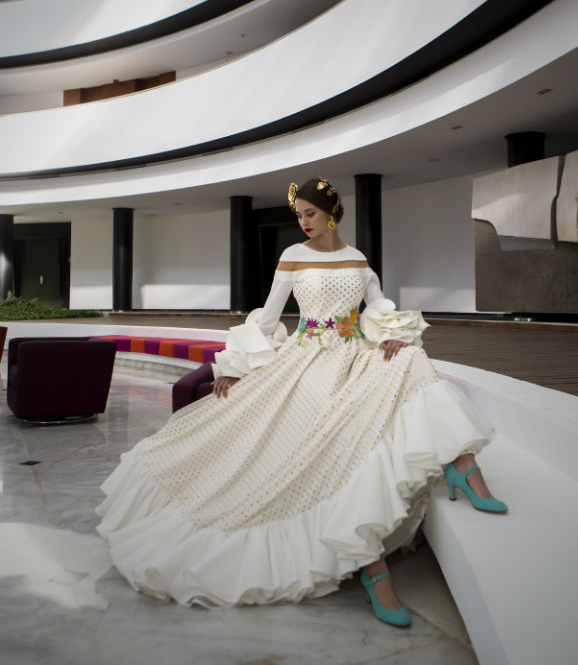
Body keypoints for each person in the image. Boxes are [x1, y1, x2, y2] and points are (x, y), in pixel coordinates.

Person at [97, 176, 506, 627]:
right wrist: (235, 365)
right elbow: (268, 317)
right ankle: (372, 566)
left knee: (410, 358)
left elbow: (378, 307)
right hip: (306, 357)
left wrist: (393, 335)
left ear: (331, 212)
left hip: (354, 353)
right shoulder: (292, 255)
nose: (304, 222)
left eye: (310, 213)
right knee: (328, 435)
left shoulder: (357, 258)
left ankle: (464, 464)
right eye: (299, 215)